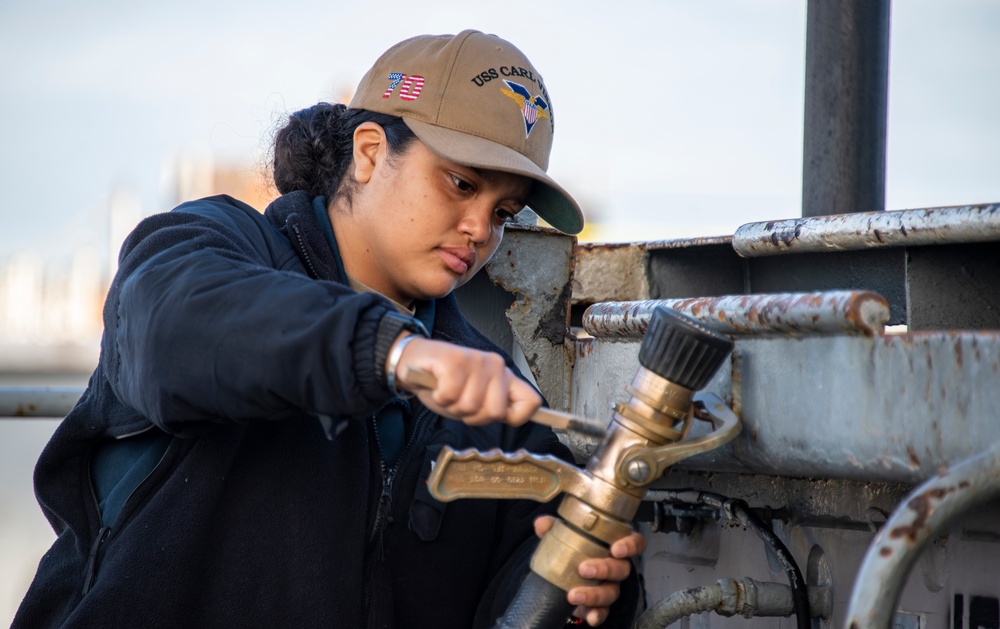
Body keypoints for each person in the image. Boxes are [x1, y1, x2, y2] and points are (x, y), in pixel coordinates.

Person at [14, 29, 643, 628]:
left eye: (503, 211)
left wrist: (589, 594)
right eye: (461, 183)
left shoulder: (495, 397)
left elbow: (519, 599)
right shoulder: (212, 246)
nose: (481, 230)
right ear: (370, 153)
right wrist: (390, 352)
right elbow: (169, 330)